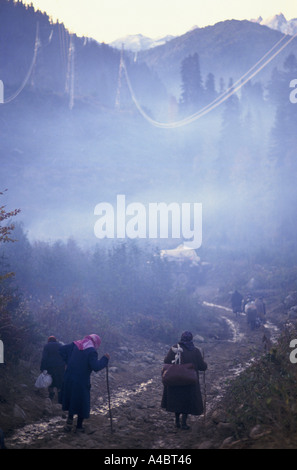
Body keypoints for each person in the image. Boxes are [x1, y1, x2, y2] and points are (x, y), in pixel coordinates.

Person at [59, 334, 109, 433]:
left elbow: (61, 350)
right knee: (82, 401)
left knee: (71, 398)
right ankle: (79, 427)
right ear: (95, 342)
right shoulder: (91, 351)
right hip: (81, 381)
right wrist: (105, 359)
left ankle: (69, 423)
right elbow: (96, 367)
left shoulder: (75, 344)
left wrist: (68, 362)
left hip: (69, 378)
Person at [161, 331, 207, 430]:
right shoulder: (195, 351)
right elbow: (202, 367)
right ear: (191, 339)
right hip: (189, 381)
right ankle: (184, 423)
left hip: (175, 380)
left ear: (182, 338)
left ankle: (177, 421)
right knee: (186, 401)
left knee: (177, 401)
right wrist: (203, 364)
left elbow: (166, 361)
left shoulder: (175, 348)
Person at [40, 336, 66, 400]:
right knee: (60, 381)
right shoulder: (61, 345)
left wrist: (42, 367)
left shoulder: (47, 346)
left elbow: (44, 358)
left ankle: (51, 394)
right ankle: (60, 395)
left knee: (50, 380)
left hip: (50, 366)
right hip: (60, 366)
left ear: (49, 340)